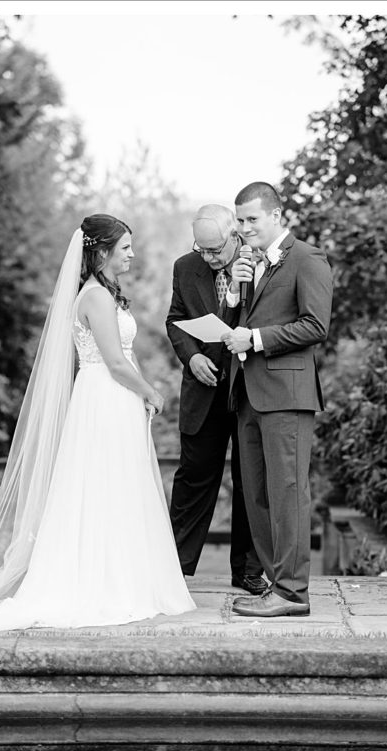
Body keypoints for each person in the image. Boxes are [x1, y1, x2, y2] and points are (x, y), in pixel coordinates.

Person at [0, 215, 196, 631]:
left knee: (114, 485)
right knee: (106, 485)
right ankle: (105, 583)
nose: (132, 254)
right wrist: (151, 391)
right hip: (106, 396)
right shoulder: (95, 297)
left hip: (109, 397)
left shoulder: (104, 293)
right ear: (101, 252)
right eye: (125, 247)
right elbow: (115, 362)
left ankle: (121, 576)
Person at [220, 182, 333, 618]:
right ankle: (274, 582)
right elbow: (240, 326)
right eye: (240, 220)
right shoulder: (250, 265)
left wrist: (258, 338)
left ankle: (292, 592)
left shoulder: (307, 258)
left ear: (276, 216)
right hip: (248, 392)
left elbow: (315, 325)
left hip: (287, 394)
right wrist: (234, 294)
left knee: (288, 492)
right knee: (257, 496)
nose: (244, 227)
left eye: (251, 219)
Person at [165, 204, 266, 595]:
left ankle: (247, 571)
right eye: (201, 250)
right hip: (202, 389)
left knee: (249, 481)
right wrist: (192, 357)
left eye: (215, 250)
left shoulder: (257, 263)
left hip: (248, 389)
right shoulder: (184, 267)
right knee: (193, 480)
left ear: (234, 235)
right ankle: (174, 568)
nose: (207, 258)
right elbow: (174, 319)